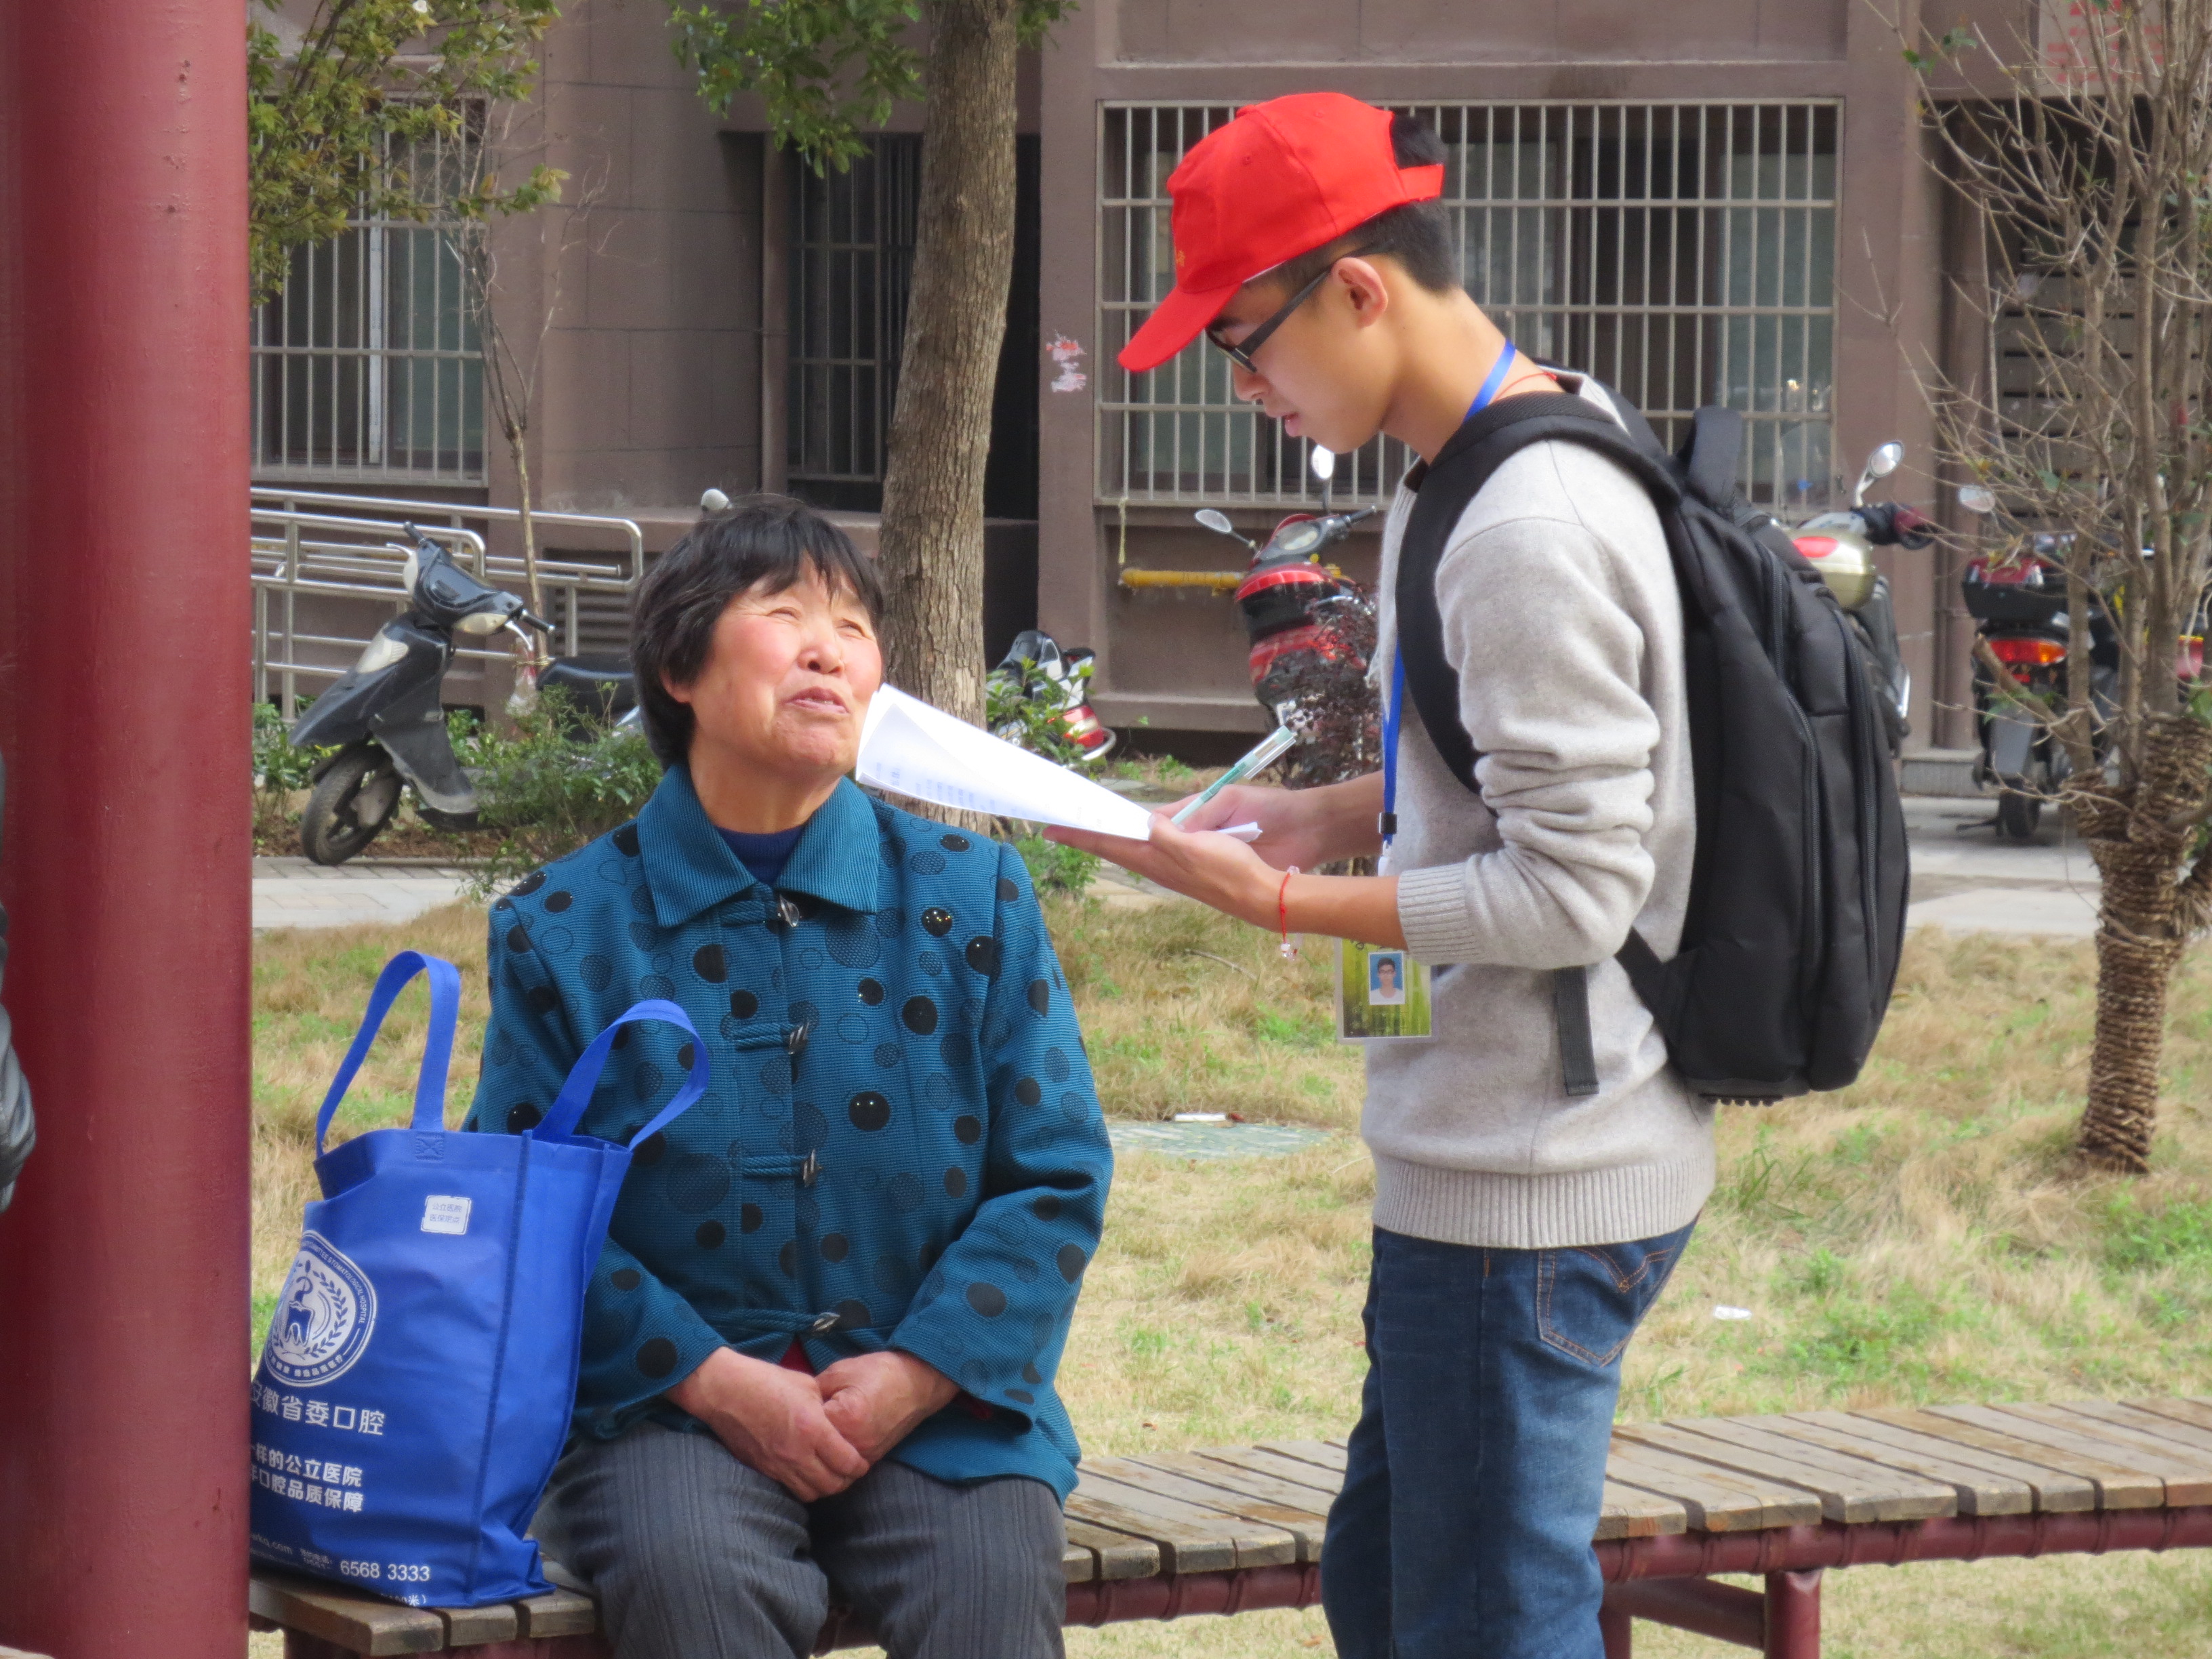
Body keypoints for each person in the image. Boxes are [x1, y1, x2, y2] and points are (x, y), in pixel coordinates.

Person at [1050, 93, 1708, 1659]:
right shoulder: (1478, 447)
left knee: (1478, 1619)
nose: (1247, 385)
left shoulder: (1521, 523)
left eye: (1247, 339)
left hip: (1534, 1175)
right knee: (1396, 1578)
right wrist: (1334, 817)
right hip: (1504, 1147)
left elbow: (1573, 895)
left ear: (1359, 288)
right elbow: (1491, 775)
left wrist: (1281, 905)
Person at [471, 495, 1111, 1659]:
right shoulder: (563, 928)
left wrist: (916, 1376)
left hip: (941, 1407)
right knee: (692, 1581)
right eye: (785, 614)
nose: (830, 648)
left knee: (988, 1590)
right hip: (668, 1412)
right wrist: (719, 1384)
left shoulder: (975, 895)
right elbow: (526, 1207)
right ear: (680, 664)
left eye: (854, 626)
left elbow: (1055, 1175)